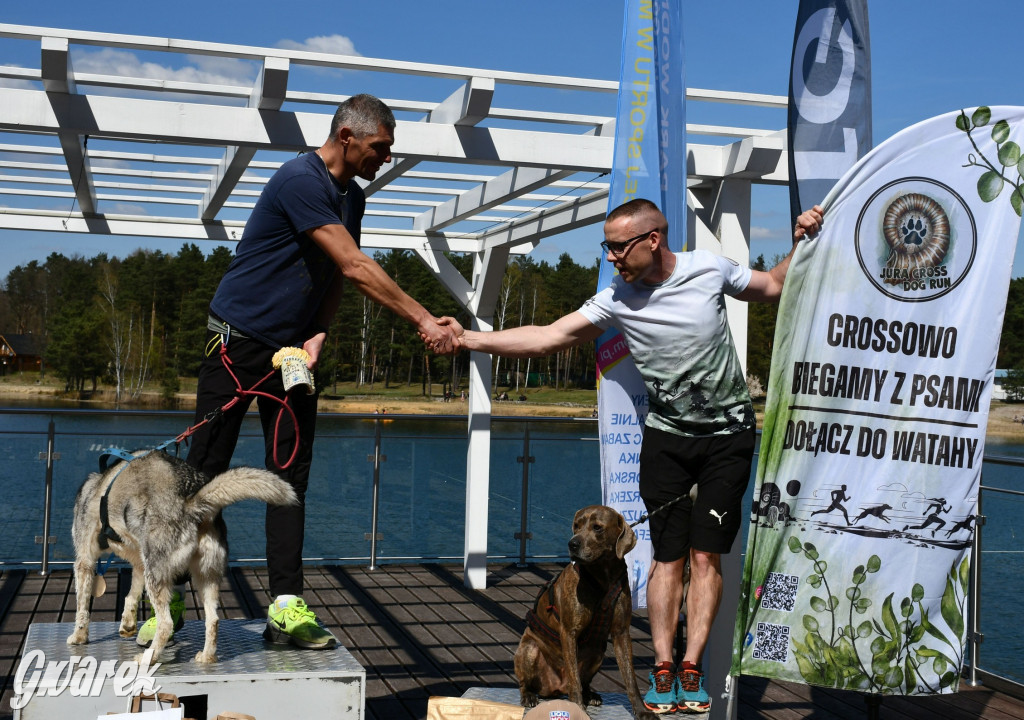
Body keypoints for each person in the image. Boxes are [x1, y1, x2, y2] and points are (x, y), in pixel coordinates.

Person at [431, 197, 823, 714]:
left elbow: (772, 287)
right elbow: (548, 337)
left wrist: (801, 241)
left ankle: (691, 668)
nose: (611, 258)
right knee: (668, 556)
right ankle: (662, 669)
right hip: (666, 441)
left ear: (652, 240)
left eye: (618, 247)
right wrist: (468, 339)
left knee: (707, 556)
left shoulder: (708, 268)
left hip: (728, 437)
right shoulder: (615, 298)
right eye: (607, 247)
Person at [135, 94, 458, 652]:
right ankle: (170, 601)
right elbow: (358, 266)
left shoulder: (351, 197)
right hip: (236, 347)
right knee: (198, 477)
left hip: (289, 357)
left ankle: (285, 608)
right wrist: (425, 318)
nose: (386, 158)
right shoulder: (298, 179)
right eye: (381, 147)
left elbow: (336, 274)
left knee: (288, 480)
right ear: (348, 136)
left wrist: (319, 333)